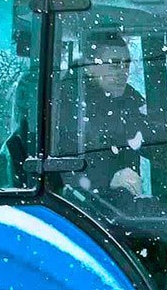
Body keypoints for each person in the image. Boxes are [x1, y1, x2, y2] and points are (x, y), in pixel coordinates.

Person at [60, 31, 150, 198]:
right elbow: (60, 169)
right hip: (80, 208)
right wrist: (109, 180)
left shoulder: (127, 103)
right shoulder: (65, 107)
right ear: (88, 66)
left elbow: (153, 140)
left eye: (127, 65)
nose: (123, 72)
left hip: (118, 206)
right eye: (115, 65)